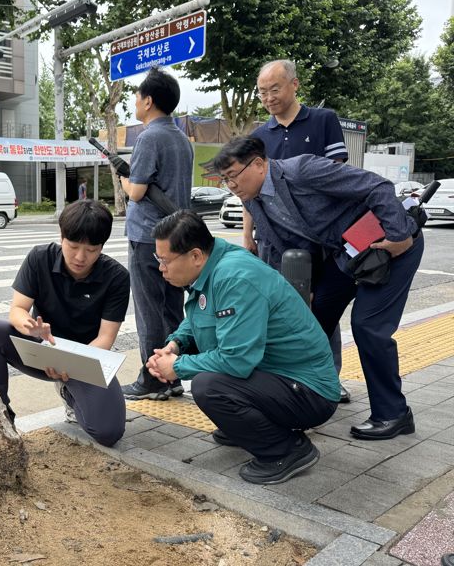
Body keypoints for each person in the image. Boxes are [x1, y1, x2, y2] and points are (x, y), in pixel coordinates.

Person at [211, 136, 424, 440]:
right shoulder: (253, 199)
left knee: (367, 327)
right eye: (224, 179)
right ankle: (286, 408)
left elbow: (377, 186)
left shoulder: (302, 170)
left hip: (390, 246)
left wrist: (399, 235)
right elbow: (278, 245)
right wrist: (292, 294)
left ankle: (394, 413)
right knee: (304, 325)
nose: (230, 185)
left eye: (233, 175)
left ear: (258, 164)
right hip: (347, 255)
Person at [146, 211, 338, 485]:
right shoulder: (214, 266)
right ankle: (247, 426)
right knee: (211, 383)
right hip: (279, 377)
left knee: (208, 387)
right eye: (158, 260)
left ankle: (287, 451)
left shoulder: (234, 277)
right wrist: (175, 344)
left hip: (310, 391)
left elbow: (236, 360)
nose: (161, 268)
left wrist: (176, 367)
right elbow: (202, 317)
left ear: (196, 255)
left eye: (164, 261)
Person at [0, 199, 129, 447]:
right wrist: (30, 326)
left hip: (83, 359)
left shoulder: (117, 277)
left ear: (102, 246)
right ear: (61, 237)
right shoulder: (40, 258)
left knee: (109, 432)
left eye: (91, 250)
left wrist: (71, 364)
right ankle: (1, 415)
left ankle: (70, 392)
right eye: (73, 246)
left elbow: (105, 338)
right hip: (41, 348)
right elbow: (17, 309)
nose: (80, 257)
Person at [248, 59, 352, 403]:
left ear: (295, 85)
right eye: (262, 92)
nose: (268, 97)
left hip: (320, 238)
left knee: (323, 308)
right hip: (276, 242)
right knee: (281, 310)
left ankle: (328, 378)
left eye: (274, 89)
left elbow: (337, 180)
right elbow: (250, 193)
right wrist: (247, 237)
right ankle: (288, 378)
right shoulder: (260, 136)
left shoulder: (323, 121)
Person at [119, 66, 194, 401]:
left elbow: (136, 192)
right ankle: (172, 374)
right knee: (171, 309)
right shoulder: (181, 138)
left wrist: (122, 178)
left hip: (148, 236)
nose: (136, 102)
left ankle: (151, 379)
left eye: (137, 96)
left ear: (148, 101)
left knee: (149, 310)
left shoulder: (149, 136)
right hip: (176, 238)